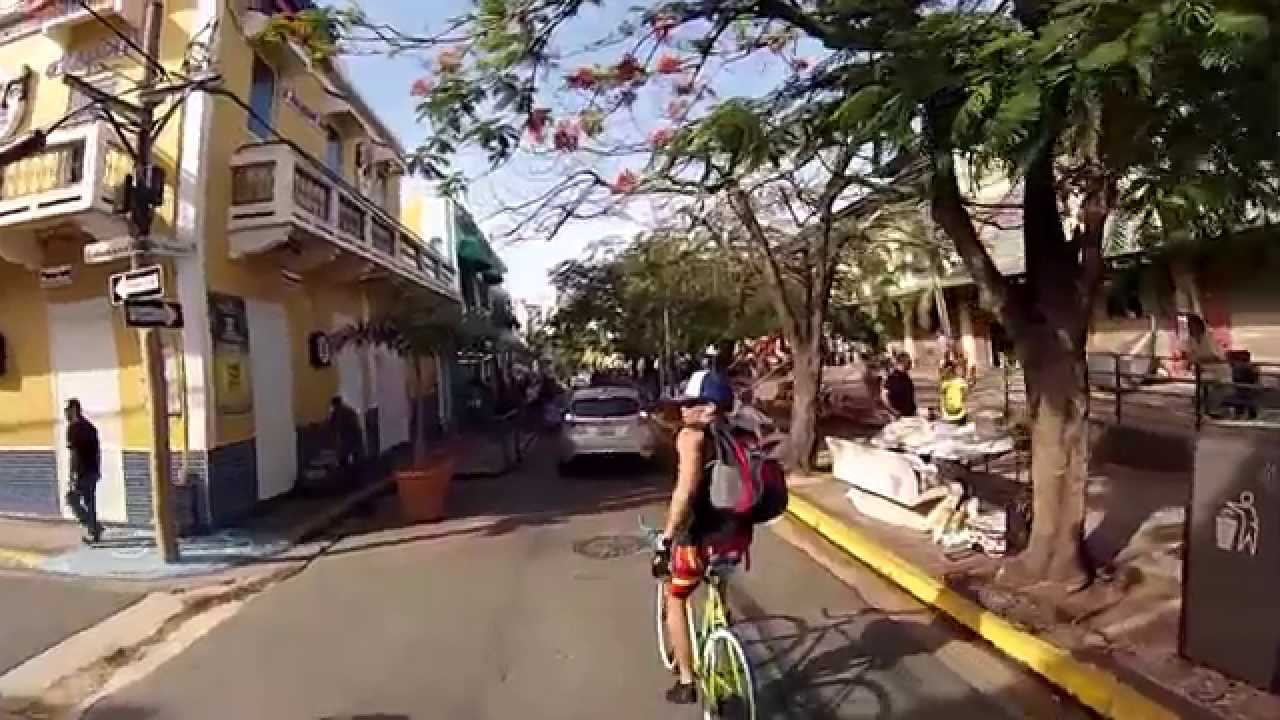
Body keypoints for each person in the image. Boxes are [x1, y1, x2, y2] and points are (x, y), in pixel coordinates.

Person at [652, 370, 753, 705]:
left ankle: (686, 680)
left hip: (698, 541)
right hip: (736, 538)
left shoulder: (691, 438)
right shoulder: (740, 433)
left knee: (676, 599)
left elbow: (685, 493)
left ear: (710, 407)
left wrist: (666, 539)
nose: (683, 409)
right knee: (718, 583)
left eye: (692, 403)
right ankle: (722, 632)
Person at [64, 399, 103, 544]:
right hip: (92, 470)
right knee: (90, 502)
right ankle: (94, 529)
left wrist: (72, 475)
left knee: (72, 499)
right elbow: (98, 451)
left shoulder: (73, 429)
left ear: (74, 410)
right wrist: (98, 469)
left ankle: (93, 528)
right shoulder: (91, 427)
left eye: (67, 410)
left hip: (81, 471)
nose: (65, 413)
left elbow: (73, 454)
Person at [328, 397, 364, 481]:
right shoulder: (348, 410)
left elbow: (333, 425)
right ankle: (354, 476)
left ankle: (349, 476)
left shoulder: (339, 412)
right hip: (353, 436)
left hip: (349, 436)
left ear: (335, 404)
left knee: (345, 458)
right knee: (353, 456)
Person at [881, 353, 917, 420]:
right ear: (901, 363)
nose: (910, 365)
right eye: (909, 362)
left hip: (910, 414)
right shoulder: (891, 378)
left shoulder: (906, 377)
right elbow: (883, 397)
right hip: (897, 416)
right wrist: (893, 411)